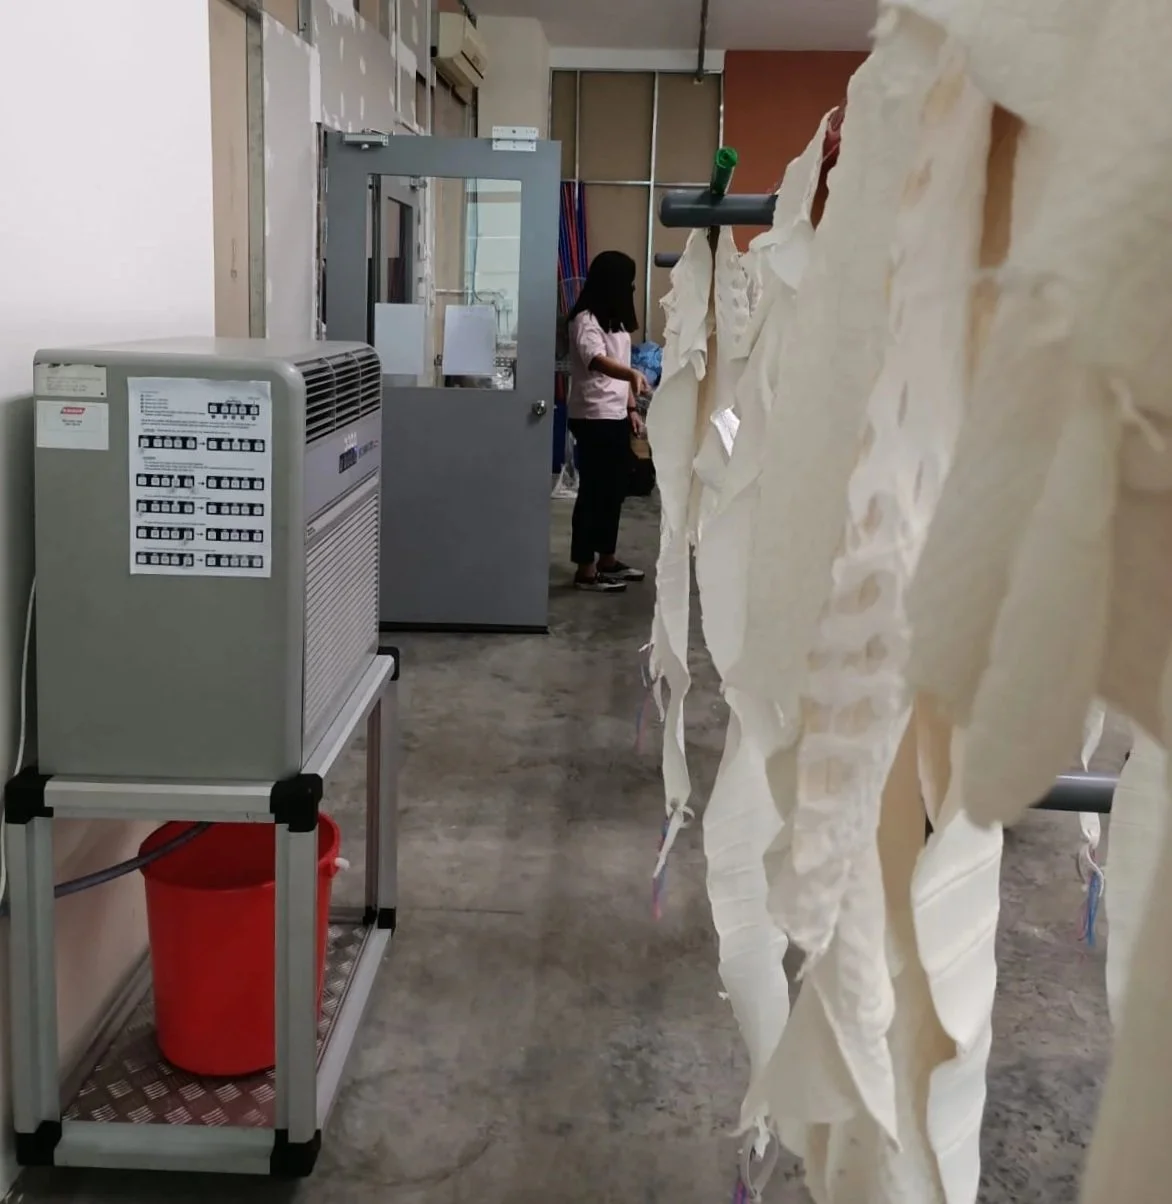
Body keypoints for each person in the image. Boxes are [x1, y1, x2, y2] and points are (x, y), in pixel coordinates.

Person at [566, 251, 651, 593]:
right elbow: (597, 361)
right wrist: (631, 374)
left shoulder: (615, 320)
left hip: (615, 414)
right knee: (594, 492)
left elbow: (621, 365)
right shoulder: (585, 320)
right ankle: (585, 570)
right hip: (592, 416)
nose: (631, 288)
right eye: (627, 282)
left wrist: (632, 409)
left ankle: (608, 559)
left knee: (614, 491)